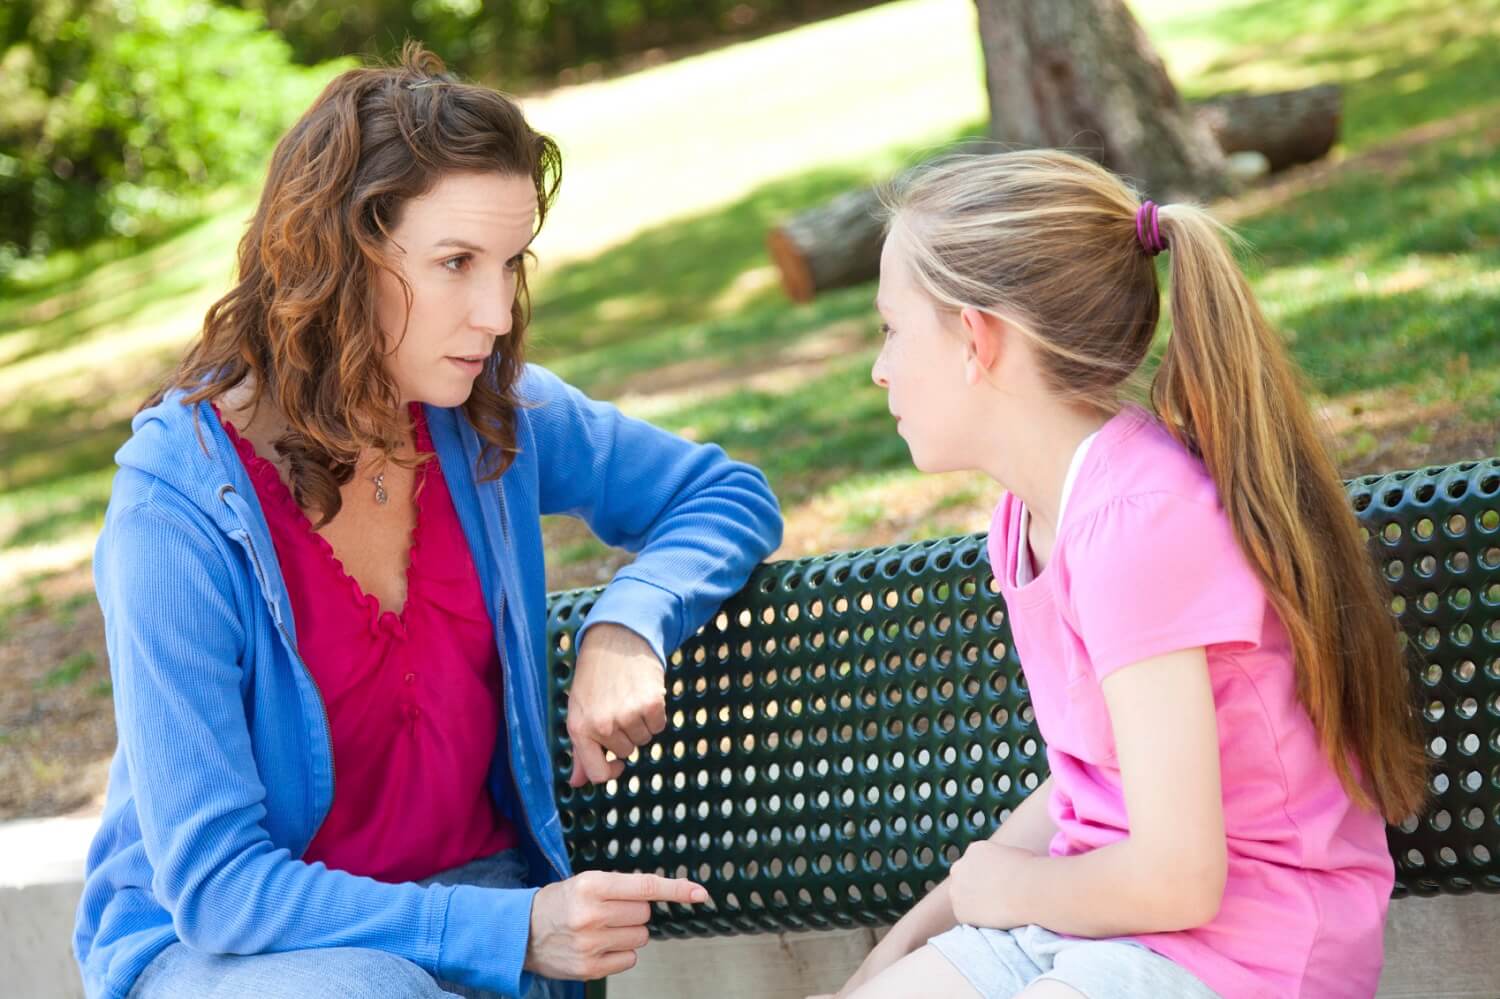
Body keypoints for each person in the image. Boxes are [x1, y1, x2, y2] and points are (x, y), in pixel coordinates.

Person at [73, 43, 782, 999]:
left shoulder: (482, 414)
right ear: (339, 259)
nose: (495, 311)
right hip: (233, 958)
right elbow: (219, 889)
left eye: (510, 262)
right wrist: (508, 927)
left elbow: (724, 494)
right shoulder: (180, 510)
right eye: (455, 263)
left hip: (475, 913)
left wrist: (631, 619)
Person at [817, 149, 1428, 999]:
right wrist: (906, 940)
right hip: (1101, 920)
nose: (880, 368)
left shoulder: (1136, 522)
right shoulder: (1030, 516)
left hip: (1247, 951)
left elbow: (1180, 877)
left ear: (974, 338)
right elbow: (1091, 780)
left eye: (890, 328)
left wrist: (1007, 890)